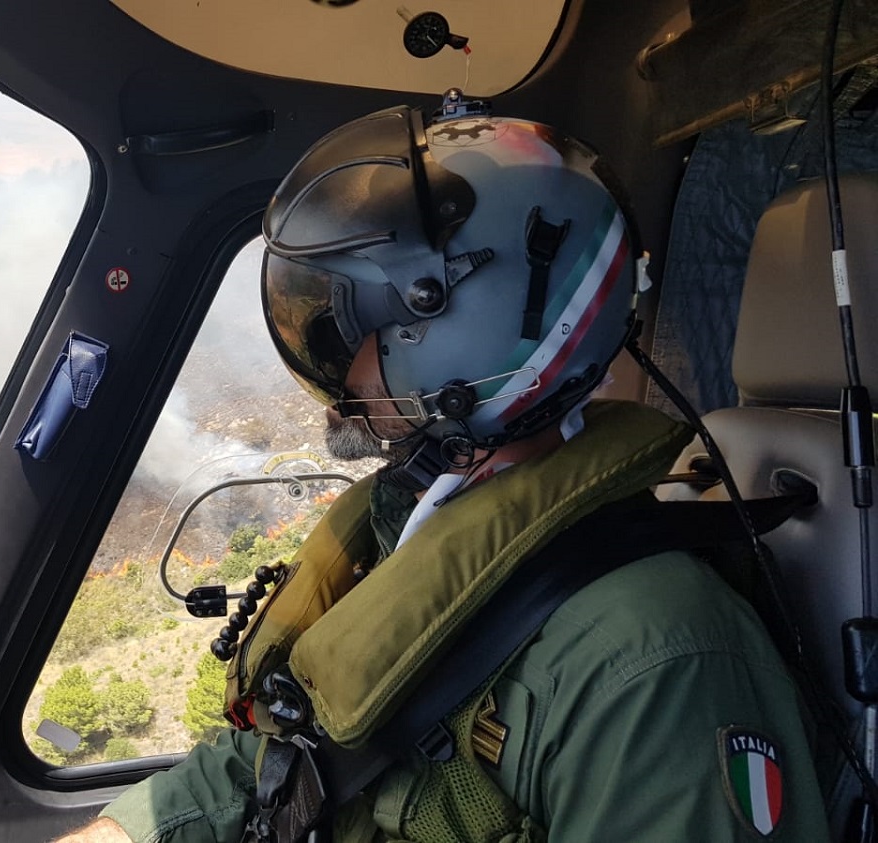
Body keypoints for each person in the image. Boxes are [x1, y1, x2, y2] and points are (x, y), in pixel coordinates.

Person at [54, 97, 828, 842]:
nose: (331, 352)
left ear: (475, 327)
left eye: (351, 318)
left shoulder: (655, 661)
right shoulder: (415, 528)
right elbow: (288, 756)